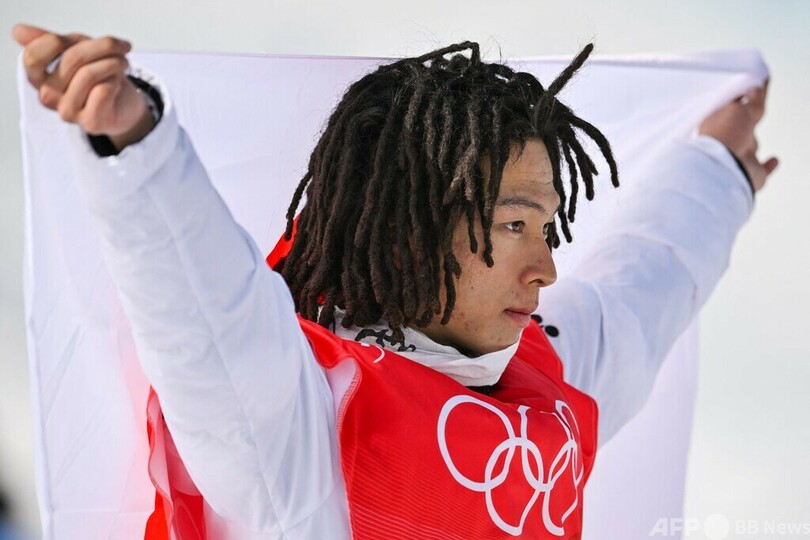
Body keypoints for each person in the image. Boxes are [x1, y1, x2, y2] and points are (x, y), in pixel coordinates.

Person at [13, 24, 777, 539]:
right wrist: (135, 143)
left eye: (547, 228)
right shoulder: (298, 424)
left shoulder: (545, 374)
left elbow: (644, 283)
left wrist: (717, 170)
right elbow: (204, 312)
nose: (545, 269)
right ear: (413, 233)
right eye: (514, 226)